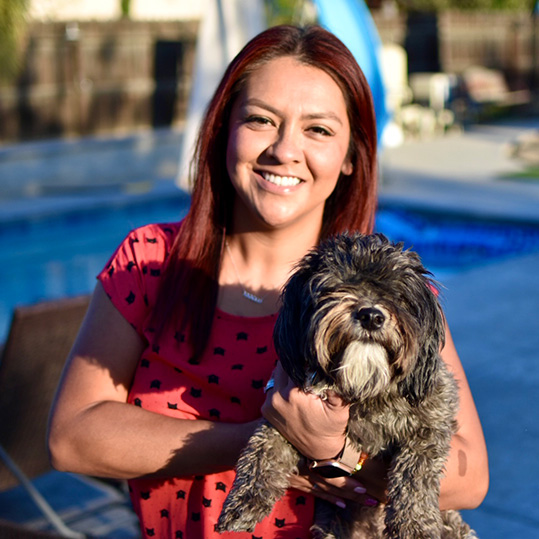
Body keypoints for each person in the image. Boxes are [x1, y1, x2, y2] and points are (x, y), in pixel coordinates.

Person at [47, 25, 488, 539]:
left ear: (350, 155)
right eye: (260, 120)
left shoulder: (392, 298)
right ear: (223, 130)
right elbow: (72, 437)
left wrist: (337, 452)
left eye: (318, 130)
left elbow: (470, 477)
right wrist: (269, 440)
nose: (284, 150)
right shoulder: (149, 262)